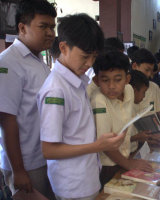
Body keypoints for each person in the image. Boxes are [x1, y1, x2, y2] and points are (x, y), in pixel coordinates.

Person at [37, 14, 126, 200]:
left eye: (94, 57)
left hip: (86, 176)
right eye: (85, 57)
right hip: (73, 184)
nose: (90, 63)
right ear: (63, 47)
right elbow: (49, 150)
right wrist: (97, 146)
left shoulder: (75, 81)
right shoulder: (56, 91)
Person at [0, 0, 56, 197]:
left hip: (42, 156)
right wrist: (18, 169)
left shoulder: (38, 61)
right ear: (22, 28)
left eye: (52, 26)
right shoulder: (8, 63)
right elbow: (6, 119)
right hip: (25, 162)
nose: (50, 32)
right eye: (43, 26)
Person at [90, 50, 154, 190]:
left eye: (118, 79)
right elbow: (105, 145)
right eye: (105, 80)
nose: (112, 86)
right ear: (97, 80)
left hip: (126, 158)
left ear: (127, 79)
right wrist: (129, 164)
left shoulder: (129, 90)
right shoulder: (99, 101)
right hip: (108, 167)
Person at [130, 49, 160, 142]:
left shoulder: (153, 87)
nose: (149, 74)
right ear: (134, 66)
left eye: (151, 71)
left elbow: (157, 108)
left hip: (149, 136)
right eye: (146, 70)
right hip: (133, 140)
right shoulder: (125, 88)